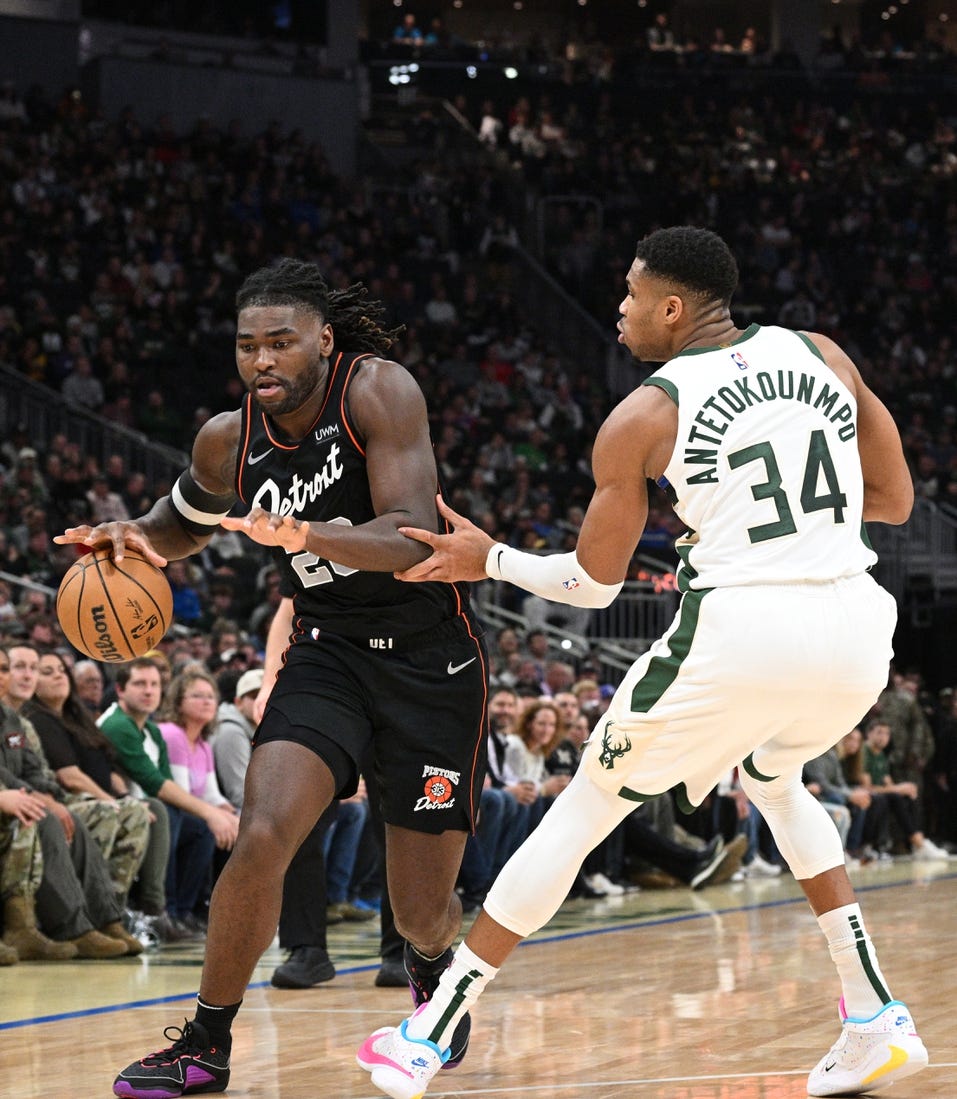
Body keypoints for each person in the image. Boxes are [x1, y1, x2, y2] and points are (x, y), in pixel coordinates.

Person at [356, 226, 927, 1099]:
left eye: (628, 296)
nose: (616, 310)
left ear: (671, 306)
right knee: (776, 783)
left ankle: (425, 1035)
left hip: (742, 631)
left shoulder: (644, 415)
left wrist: (491, 558)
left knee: (582, 807)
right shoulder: (821, 352)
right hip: (856, 631)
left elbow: (590, 584)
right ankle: (873, 1015)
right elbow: (891, 499)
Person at [55, 257, 489, 1098]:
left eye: (280, 343)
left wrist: (306, 532)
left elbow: (410, 537)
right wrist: (131, 537)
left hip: (431, 662)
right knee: (260, 834)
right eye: (248, 345)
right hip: (327, 653)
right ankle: (204, 1046)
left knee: (418, 911)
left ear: (322, 341)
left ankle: (433, 970)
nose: (262, 361)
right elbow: (179, 525)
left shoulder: (379, 392)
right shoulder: (229, 436)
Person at [98, 658, 237, 940]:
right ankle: (160, 909)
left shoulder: (150, 730)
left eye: (154, 685)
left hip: (148, 809)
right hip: (119, 807)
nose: (149, 691)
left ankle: (185, 912)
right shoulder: (117, 725)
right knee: (172, 814)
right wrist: (212, 813)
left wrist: (219, 813)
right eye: (140, 684)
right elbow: (156, 783)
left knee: (198, 830)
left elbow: (167, 784)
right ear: (120, 690)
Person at [24, 649, 152, 912]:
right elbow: (69, 777)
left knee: (139, 811)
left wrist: (124, 798)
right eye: (47, 672)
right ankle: (87, 909)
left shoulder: (77, 716)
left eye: (62, 670)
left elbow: (110, 764)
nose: (58, 676)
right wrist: (111, 801)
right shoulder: (38, 718)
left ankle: (114, 909)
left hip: (92, 795)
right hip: (63, 797)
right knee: (108, 812)